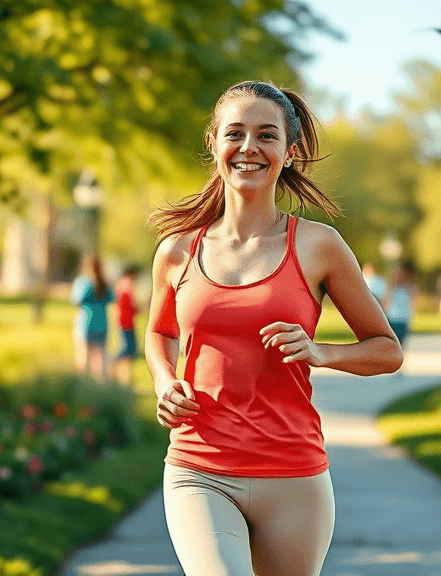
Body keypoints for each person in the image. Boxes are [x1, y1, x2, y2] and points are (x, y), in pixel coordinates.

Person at [145, 80, 403, 576]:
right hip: (200, 467)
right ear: (214, 144)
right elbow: (159, 331)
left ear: (288, 153)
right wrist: (163, 381)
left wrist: (321, 353)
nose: (249, 148)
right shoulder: (177, 250)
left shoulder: (319, 245)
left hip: (293, 475)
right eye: (235, 133)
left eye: (267, 136)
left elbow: (386, 350)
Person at [71, 254, 114, 383]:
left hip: (86, 323)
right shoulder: (104, 283)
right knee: (101, 360)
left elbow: (75, 300)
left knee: (83, 360)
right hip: (102, 323)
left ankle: (83, 387)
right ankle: (101, 388)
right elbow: (111, 298)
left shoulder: (83, 282)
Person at [113, 264, 142, 388]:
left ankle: (126, 378)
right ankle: (112, 362)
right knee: (128, 348)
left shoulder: (121, 283)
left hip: (125, 320)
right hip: (126, 321)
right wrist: (139, 308)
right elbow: (131, 303)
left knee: (130, 349)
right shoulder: (127, 284)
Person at [383, 260, 416, 347]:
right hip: (391, 319)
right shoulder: (389, 287)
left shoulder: (409, 287)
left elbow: (413, 299)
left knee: (400, 346)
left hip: (402, 320)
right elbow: (385, 302)